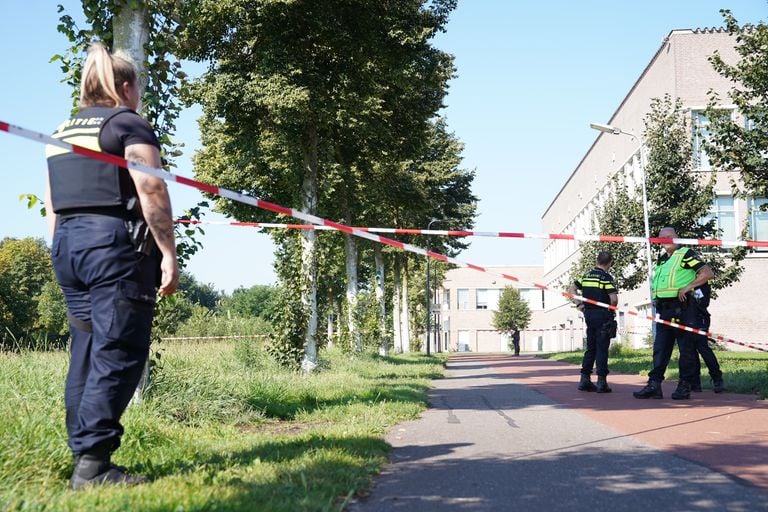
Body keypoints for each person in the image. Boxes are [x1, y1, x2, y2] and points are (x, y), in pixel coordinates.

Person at [44, 42, 179, 489]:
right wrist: (168, 254)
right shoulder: (127, 123)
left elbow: (52, 204)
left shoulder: (61, 131)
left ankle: (84, 454)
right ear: (125, 87)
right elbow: (152, 192)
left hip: (68, 245)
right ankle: (94, 466)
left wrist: (61, 251)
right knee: (118, 350)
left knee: (84, 351)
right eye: (137, 86)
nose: (138, 94)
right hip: (114, 248)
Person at [633, 227, 714, 400]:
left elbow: (707, 273)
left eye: (669, 237)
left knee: (686, 350)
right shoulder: (662, 259)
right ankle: (654, 385)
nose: (666, 240)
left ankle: (684, 386)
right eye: (662, 238)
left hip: (684, 308)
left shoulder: (686, 254)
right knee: (660, 348)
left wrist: (688, 286)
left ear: (676, 238)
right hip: (665, 310)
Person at [569, 250, 618, 393]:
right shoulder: (606, 277)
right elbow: (613, 299)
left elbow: (572, 288)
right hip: (603, 315)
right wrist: (611, 310)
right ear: (609, 263)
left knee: (591, 347)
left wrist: (579, 304)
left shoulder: (586, 276)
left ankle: (585, 379)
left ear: (597, 260)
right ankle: (602, 382)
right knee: (602, 348)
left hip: (589, 315)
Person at [689, 282, 725, 393]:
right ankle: (695, 382)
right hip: (686, 319)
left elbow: (701, 302)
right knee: (689, 350)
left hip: (700, 319)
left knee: (702, 348)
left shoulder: (701, 283)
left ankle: (717, 379)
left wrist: (688, 294)